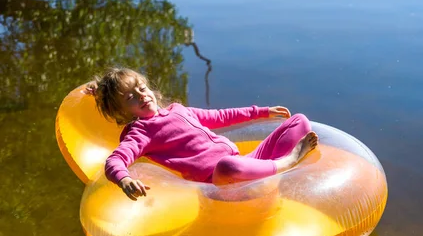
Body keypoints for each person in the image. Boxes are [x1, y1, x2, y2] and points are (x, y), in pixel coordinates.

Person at [86, 67, 318, 201]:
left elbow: (220, 116)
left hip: (245, 163)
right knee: (228, 165)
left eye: (142, 88)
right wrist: (124, 179)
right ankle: (288, 162)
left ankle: (269, 173)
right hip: (220, 183)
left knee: (299, 121)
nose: (142, 95)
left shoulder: (179, 110)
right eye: (130, 98)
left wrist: (262, 112)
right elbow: (115, 160)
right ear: (122, 111)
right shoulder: (140, 133)